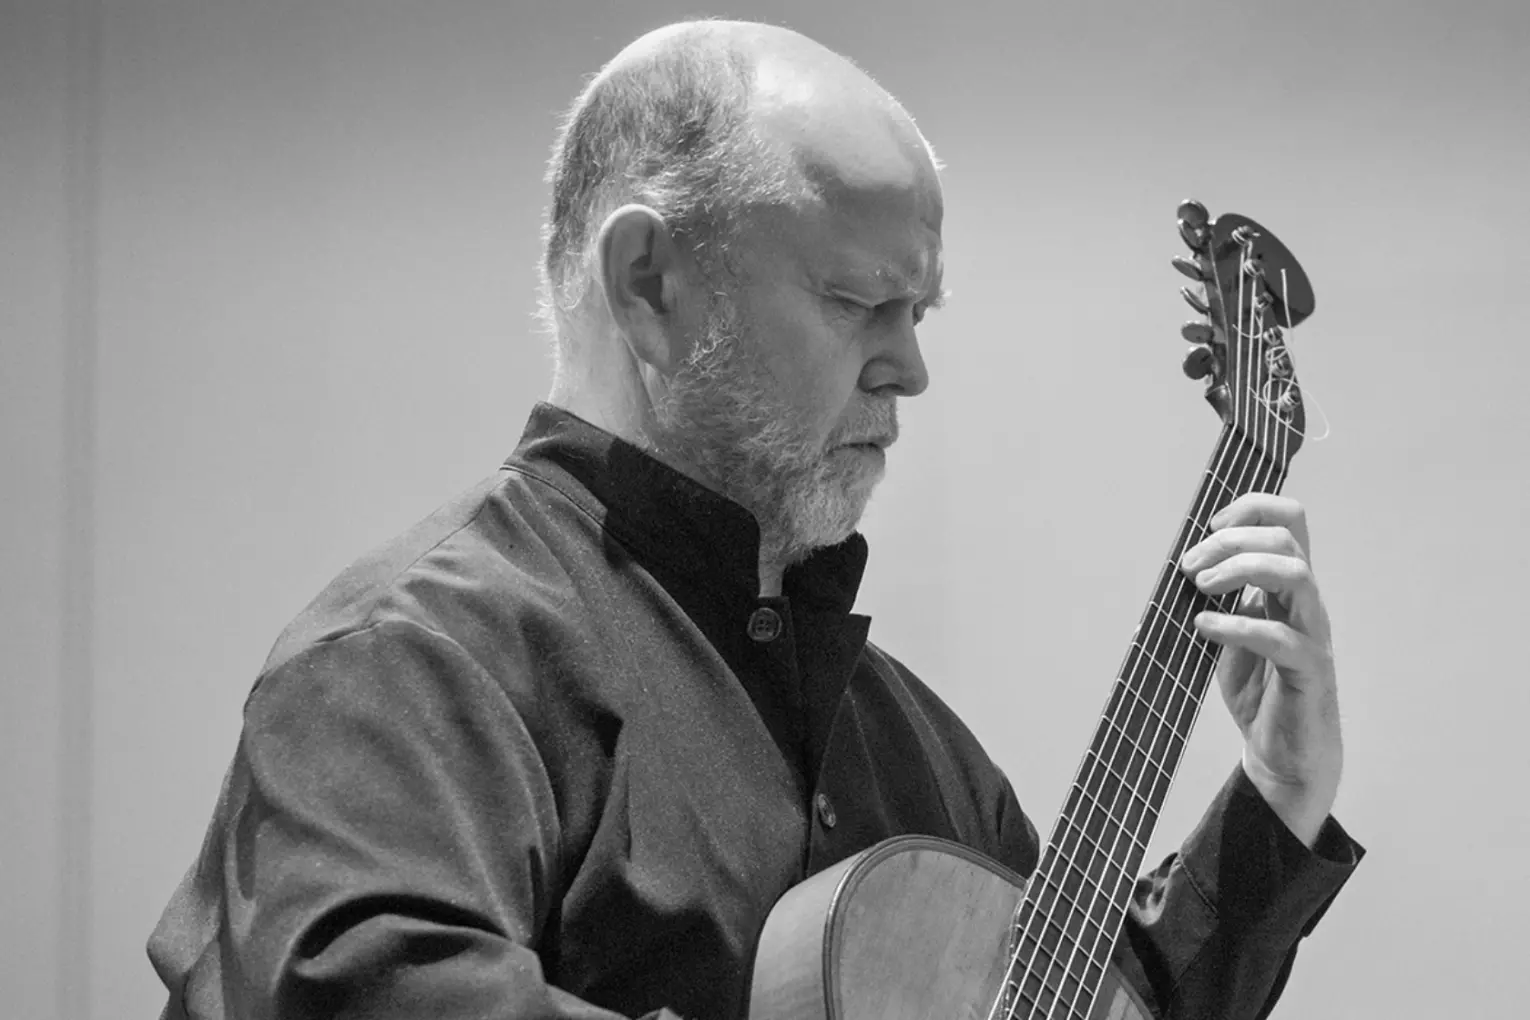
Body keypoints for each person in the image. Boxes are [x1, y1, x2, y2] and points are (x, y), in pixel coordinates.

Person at [148, 19, 1362, 1020]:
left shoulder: (923, 759)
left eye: (922, 313)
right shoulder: (412, 664)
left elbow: (1078, 1003)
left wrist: (1278, 793)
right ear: (649, 283)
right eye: (858, 300)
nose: (909, 370)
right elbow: (369, 995)